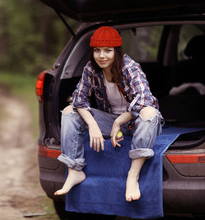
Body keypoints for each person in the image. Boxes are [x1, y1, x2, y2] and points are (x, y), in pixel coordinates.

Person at [54, 26, 163, 202]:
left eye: (108, 51)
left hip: (136, 123)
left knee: (149, 112)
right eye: (97, 50)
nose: (101, 56)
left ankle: (132, 177)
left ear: (117, 51)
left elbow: (144, 100)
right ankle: (75, 170)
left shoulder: (130, 68)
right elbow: (78, 99)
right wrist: (92, 125)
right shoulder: (91, 68)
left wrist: (118, 123)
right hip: (110, 120)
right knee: (69, 112)